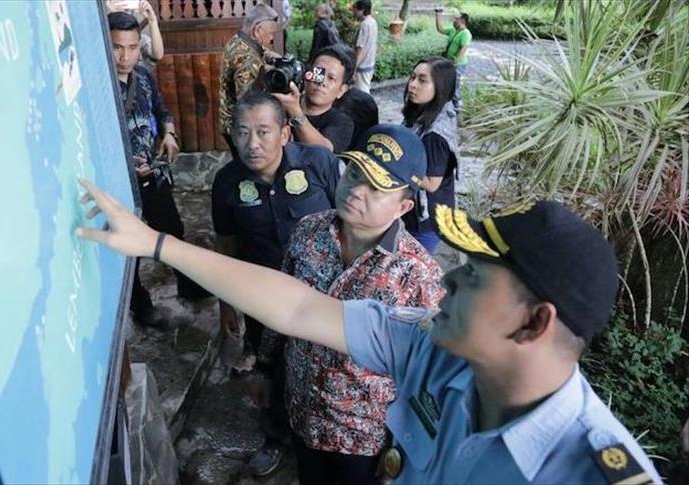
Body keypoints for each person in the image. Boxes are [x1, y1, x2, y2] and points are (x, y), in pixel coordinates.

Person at [76, 186, 663, 484]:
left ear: (534, 323)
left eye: (475, 277)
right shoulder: (432, 351)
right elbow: (300, 308)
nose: (448, 279)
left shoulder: (589, 471)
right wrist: (155, 244)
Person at [283, 125, 444, 484]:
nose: (357, 190)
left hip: (363, 439)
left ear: (403, 206)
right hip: (301, 413)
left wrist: (403, 450)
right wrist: (265, 368)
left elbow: (428, 377)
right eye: (355, 173)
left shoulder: (419, 274)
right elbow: (282, 305)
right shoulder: (307, 232)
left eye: (376, 187)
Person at [211, 92, 340, 477]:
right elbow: (226, 245)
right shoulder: (227, 182)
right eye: (242, 132)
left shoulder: (318, 163)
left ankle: (330, 439)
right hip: (265, 299)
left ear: (284, 133)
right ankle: (276, 435)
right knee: (272, 369)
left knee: (331, 368)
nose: (252, 143)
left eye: (263, 132)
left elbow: (351, 220)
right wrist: (226, 305)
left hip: (326, 295)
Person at [108, 12, 207, 326]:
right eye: (117, 47)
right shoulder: (98, 86)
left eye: (132, 47)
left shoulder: (143, 75)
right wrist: (124, 167)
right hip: (120, 183)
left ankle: (189, 285)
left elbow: (162, 109)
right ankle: (141, 307)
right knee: (129, 248)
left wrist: (169, 133)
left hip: (154, 173)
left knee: (172, 230)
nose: (125, 56)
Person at [401, 57, 459, 254]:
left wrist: (396, 166)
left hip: (428, 221)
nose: (412, 84)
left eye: (422, 80)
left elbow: (432, 183)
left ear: (440, 87)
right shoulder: (421, 115)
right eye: (412, 77)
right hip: (414, 211)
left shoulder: (434, 135)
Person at [219, 2, 280, 153]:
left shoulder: (238, 40)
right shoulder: (247, 59)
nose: (271, 38)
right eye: (270, 33)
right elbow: (248, 103)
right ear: (257, 31)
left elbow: (257, 48)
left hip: (227, 120)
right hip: (240, 128)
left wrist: (271, 57)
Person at [272, 45, 355, 153]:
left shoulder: (342, 122)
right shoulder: (282, 101)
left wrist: (295, 111)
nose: (322, 82)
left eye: (331, 78)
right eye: (318, 72)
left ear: (341, 90)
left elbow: (323, 151)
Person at [435, 9, 472, 109]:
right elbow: (440, 29)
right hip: (449, 62)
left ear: (462, 21)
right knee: (446, 82)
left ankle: (458, 106)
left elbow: (463, 49)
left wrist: (454, 62)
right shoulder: (453, 30)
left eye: (456, 19)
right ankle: (445, 104)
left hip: (458, 65)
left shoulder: (466, 33)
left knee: (455, 85)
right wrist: (438, 15)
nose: (454, 20)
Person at [351, 0, 378, 94]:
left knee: (362, 93)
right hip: (370, 63)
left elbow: (360, 48)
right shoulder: (373, 22)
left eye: (355, 9)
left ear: (362, 10)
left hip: (362, 65)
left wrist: (354, 67)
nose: (353, 12)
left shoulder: (364, 25)